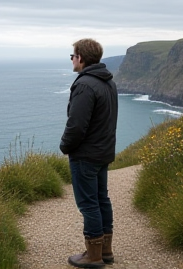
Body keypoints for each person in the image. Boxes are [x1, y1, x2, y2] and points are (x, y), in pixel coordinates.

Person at [60, 38, 118, 268]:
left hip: (85, 155)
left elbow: (76, 126)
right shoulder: (107, 81)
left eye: (73, 56)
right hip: (103, 151)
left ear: (81, 57)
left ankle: (93, 256)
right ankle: (106, 251)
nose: (72, 60)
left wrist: (65, 146)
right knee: (102, 199)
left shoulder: (85, 85)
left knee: (88, 204)